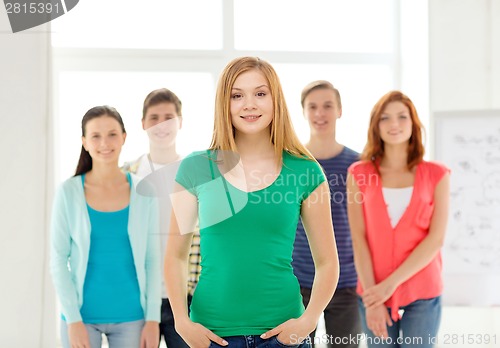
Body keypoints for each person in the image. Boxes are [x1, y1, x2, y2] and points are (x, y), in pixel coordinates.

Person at [164, 56, 340, 348]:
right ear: (224, 103)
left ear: (275, 101)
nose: (249, 104)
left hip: (283, 335)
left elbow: (327, 262)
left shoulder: (305, 171)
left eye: (260, 93)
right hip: (211, 335)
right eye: (237, 95)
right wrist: (182, 322)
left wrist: (308, 321)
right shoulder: (195, 168)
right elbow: (175, 256)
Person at [50, 105, 161, 348]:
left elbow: (153, 259)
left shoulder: (145, 191)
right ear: (85, 142)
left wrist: (153, 319)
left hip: (133, 317)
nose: (105, 143)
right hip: (81, 318)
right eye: (95, 136)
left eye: (112, 134)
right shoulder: (68, 192)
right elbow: (58, 259)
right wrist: (72, 319)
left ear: (124, 137)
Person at [346, 91, 450, 348]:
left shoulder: (437, 174)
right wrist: (375, 297)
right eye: (385, 118)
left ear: (413, 123)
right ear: (375, 125)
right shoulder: (359, 173)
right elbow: (358, 239)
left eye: (402, 117)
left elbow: (435, 240)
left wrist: (388, 287)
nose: (394, 124)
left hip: (422, 290)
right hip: (372, 290)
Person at [292, 80, 361, 348]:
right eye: (313, 107)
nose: (320, 113)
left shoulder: (358, 164)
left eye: (327, 106)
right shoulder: (292, 162)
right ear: (304, 112)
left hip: (346, 284)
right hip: (298, 282)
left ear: (339, 111)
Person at [122, 88, 191, 347]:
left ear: (180, 122)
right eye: (154, 117)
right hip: (137, 296)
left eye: (168, 117)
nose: (161, 125)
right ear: (143, 124)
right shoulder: (127, 174)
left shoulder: (195, 174)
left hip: (184, 298)